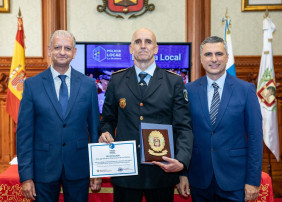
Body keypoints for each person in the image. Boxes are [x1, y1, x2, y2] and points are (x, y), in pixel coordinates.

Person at [99, 28, 193, 202]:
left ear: (156, 49)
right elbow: (108, 120)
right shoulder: (117, 80)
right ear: (130, 48)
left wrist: (181, 162)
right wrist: (106, 133)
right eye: (138, 42)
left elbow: (183, 127)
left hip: (161, 172)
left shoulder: (174, 82)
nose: (143, 46)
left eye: (148, 42)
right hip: (125, 172)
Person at [16, 30, 101, 201]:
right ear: (49, 50)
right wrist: (26, 176)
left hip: (79, 167)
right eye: (57, 47)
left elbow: (94, 130)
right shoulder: (32, 85)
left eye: (67, 48)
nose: (62, 52)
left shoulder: (88, 85)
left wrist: (97, 170)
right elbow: (24, 134)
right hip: (43, 169)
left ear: (74, 53)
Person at [177, 36, 263, 201]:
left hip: (235, 181)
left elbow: (255, 137)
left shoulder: (246, 90)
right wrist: (182, 174)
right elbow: (182, 134)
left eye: (219, 54)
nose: (214, 59)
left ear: (227, 57)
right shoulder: (188, 90)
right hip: (199, 178)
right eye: (208, 54)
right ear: (201, 59)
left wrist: (253, 180)